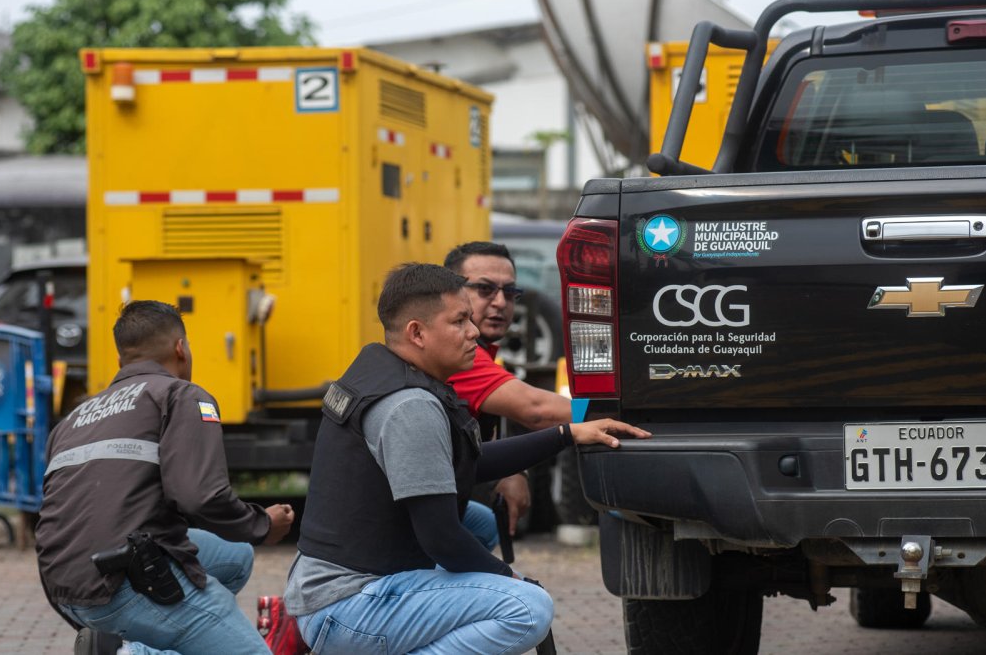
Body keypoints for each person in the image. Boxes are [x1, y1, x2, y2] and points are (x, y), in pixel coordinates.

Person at [286, 263, 649, 653]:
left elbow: (465, 464)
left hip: (332, 586)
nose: (474, 332)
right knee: (527, 608)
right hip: (346, 606)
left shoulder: (384, 370)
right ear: (417, 333)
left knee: (478, 522)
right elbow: (441, 538)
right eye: (460, 321)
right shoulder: (409, 405)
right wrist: (509, 577)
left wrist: (566, 434)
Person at [35, 300, 295, 655]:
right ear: (181, 349)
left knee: (236, 556)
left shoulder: (74, 418)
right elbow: (200, 497)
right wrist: (262, 524)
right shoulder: (180, 395)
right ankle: (129, 652)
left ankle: (135, 643)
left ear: (120, 360)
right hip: (124, 582)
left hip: (64, 586)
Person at [445, 241, 576, 537]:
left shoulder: (481, 350)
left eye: (510, 292)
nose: (501, 302)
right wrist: (607, 411)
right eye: (485, 289)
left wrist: (509, 470)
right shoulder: (456, 354)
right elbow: (537, 411)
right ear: (451, 295)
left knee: (485, 527)